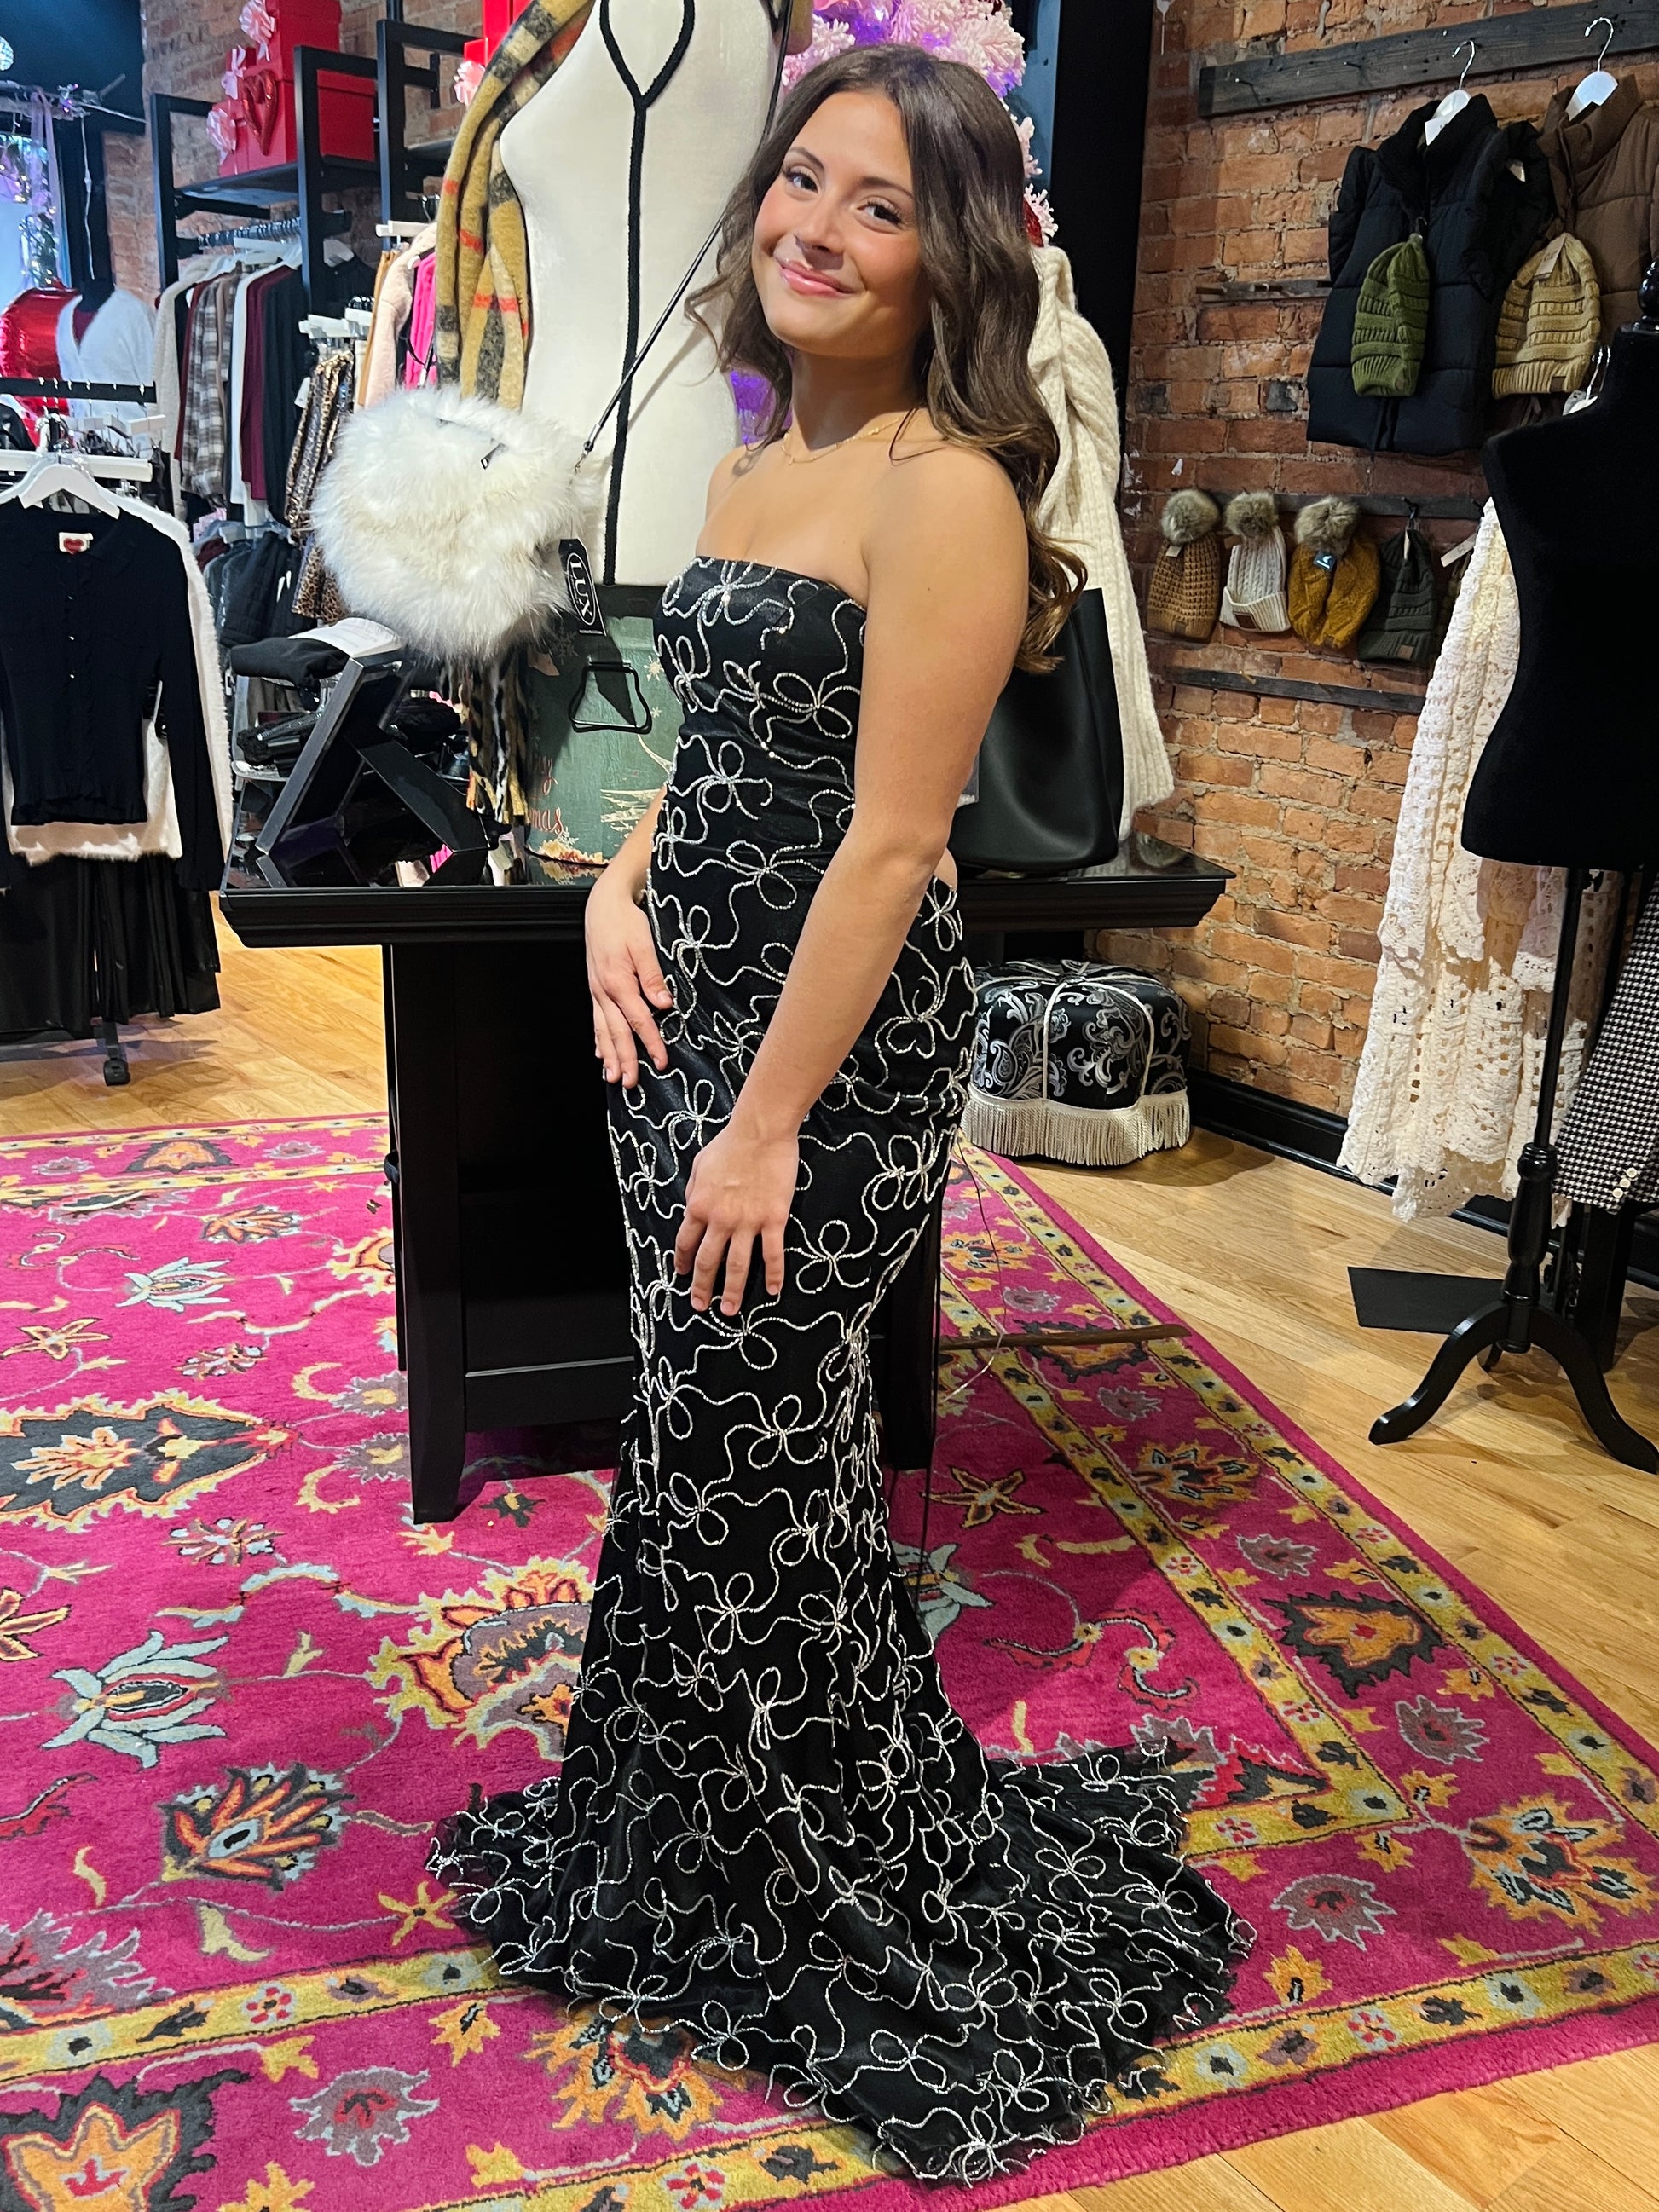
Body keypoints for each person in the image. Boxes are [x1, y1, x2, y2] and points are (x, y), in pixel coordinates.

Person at [431, 43, 1249, 2182]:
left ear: (951, 249)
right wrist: (615, 880)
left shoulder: (948, 488)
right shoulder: (758, 454)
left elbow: (890, 849)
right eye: (802, 179)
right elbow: (720, 769)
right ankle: (682, 1833)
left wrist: (770, 1122)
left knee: (758, 1444)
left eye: (875, 202)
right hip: (677, 1015)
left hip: (822, 1059)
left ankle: (830, 1870)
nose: (811, 223)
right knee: (708, 1439)